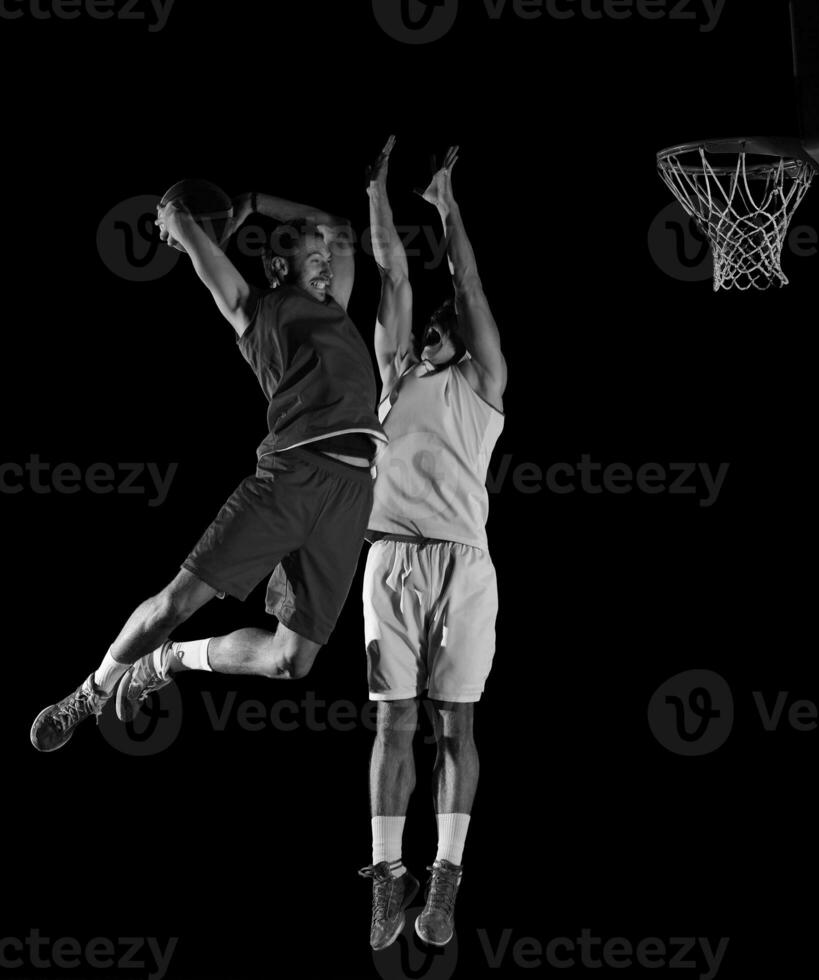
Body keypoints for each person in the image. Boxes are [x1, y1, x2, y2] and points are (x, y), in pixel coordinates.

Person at [31, 185, 386, 752]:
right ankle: (92, 690)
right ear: (276, 266)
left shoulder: (334, 308)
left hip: (351, 495)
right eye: (311, 258)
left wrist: (251, 202)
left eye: (327, 260)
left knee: (291, 663)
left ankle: (169, 661)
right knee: (175, 604)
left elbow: (338, 225)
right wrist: (179, 220)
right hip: (289, 478)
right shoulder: (253, 308)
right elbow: (181, 222)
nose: (326, 264)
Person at [357, 139, 507, 950]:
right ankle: (387, 875)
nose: (428, 336)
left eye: (442, 330)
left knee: (456, 726)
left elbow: (467, 285)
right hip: (391, 562)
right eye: (426, 333)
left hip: (463, 566)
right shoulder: (393, 375)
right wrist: (376, 189)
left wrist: (449, 209)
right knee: (390, 726)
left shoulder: (482, 382)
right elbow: (392, 276)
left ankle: (444, 878)